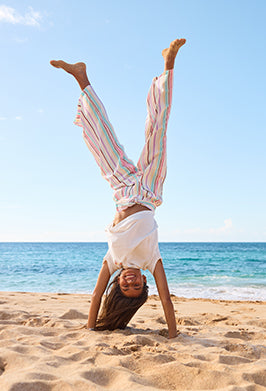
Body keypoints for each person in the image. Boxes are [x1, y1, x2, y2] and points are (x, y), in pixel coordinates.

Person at [50, 38, 186, 338]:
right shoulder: (152, 260)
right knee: (159, 130)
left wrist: (90, 328)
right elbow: (166, 299)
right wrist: (173, 334)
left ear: (119, 284)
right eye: (137, 285)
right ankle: (168, 64)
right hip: (150, 191)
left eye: (126, 285)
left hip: (123, 190)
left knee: (102, 138)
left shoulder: (112, 262)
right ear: (144, 283)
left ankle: (81, 77)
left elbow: (96, 297)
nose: (131, 281)